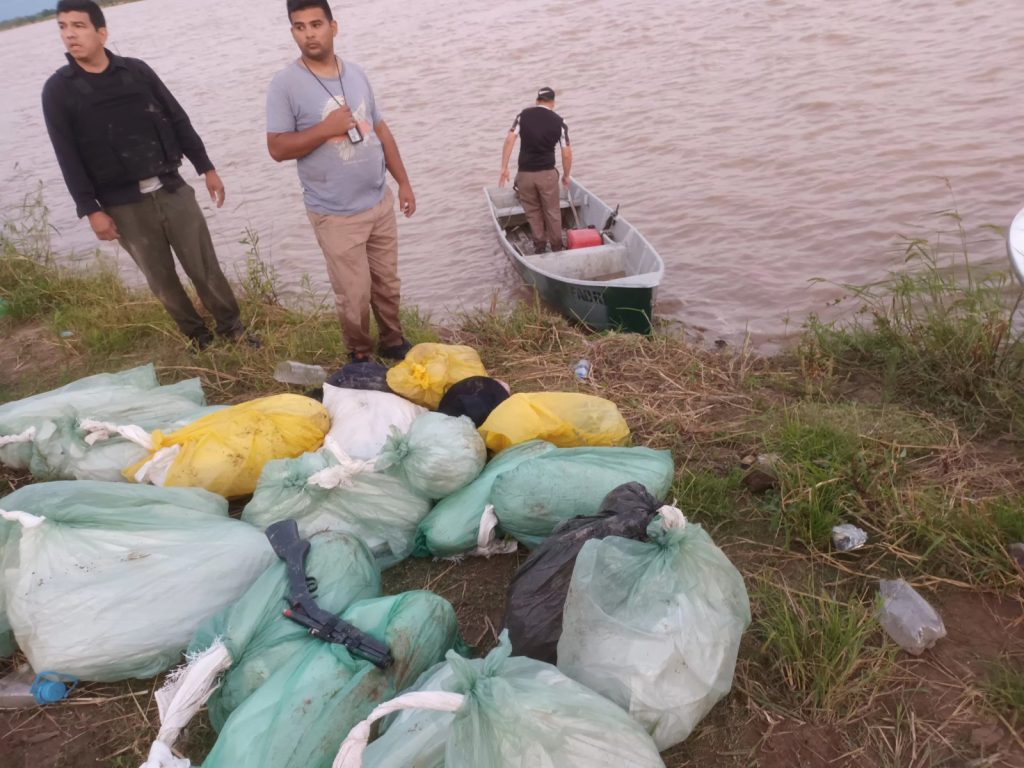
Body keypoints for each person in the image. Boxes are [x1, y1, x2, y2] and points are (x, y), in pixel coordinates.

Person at [41, 0, 254, 351]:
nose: (69, 35)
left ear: (101, 32)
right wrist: (91, 209)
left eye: (78, 25)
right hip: (123, 205)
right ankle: (200, 340)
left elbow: (177, 117)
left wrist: (207, 168)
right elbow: (67, 157)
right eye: (63, 27)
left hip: (171, 188)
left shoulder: (136, 72)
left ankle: (234, 330)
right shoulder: (59, 91)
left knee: (204, 266)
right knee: (162, 280)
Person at [266, 0, 416, 363]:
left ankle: (393, 342)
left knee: (387, 284)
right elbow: (277, 147)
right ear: (292, 32)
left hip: (378, 202)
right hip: (334, 213)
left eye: (316, 24)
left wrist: (404, 183)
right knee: (354, 293)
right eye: (299, 27)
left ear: (334, 26)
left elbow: (379, 128)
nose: (309, 33)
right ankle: (360, 354)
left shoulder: (356, 74)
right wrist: (325, 129)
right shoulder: (285, 85)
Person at [498, 87, 572, 253]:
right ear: (553, 102)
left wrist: (504, 168)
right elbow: (566, 153)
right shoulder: (559, 122)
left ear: (537, 100)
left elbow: (510, 139)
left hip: (525, 175)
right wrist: (566, 176)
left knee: (532, 212)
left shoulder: (523, 116)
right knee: (552, 212)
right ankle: (557, 248)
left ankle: (539, 246)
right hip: (547, 175)